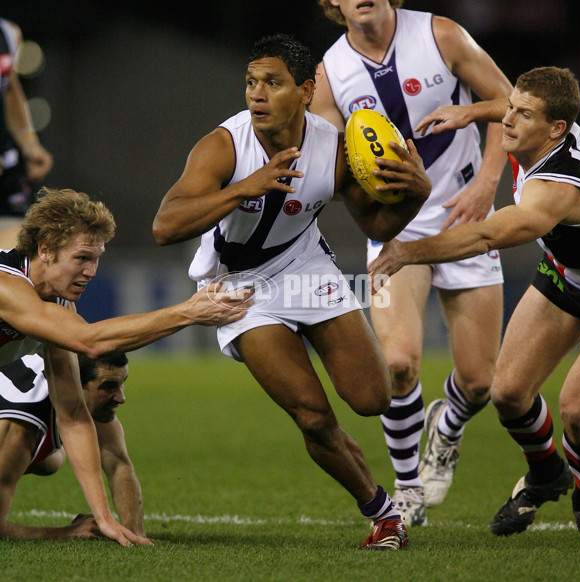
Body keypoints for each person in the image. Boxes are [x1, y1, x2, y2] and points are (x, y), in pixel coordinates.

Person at [153, 33, 432, 550]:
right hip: (238, 286)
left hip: (304, 267)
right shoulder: (223, 145)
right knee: (312, 414)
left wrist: (418, 195)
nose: (256, 94)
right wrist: (244, 186)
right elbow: (165, 226)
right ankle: (383, 513)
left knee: (373, 398)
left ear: (306, 91)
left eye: (273, 83)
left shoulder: (337, 146)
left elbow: (377, 224)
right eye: (251, 82)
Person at [369, 66, 580, 540]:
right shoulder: (546, 131)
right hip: (570, 273)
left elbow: (489, 233)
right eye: (510, 107)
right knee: (507, 393)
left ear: (555, 129)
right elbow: (509, 107)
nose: (508, 121)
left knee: (577, 409)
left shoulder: (557, 187)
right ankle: (543, 474)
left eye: (523, 114)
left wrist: (408, 252)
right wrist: (469, 111)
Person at [311, 0, 512, 526]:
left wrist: (489, 183)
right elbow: (328, 164)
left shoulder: (443, 34)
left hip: (466, 218)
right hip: (394, 234)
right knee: (397, 363)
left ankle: (445, 425)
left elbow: (510, 102)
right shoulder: (330, 73)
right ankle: (407, 488)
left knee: (478, 383)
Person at [0, 186, 252, 546]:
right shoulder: (6, 286)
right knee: (32, 439)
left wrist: (104, 518)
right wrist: (187, 312)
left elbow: (72, 413)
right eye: (82, 258)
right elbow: (92, 342)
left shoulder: (57, 305)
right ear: (45, 250)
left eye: (97, 258)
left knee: (50, 452)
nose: (90, 271)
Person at [0, 352, 145, 539]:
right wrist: (67, 532)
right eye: (109, 387)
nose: (121, 397)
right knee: (45, 457)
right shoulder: (20, 429)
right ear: (76, 385)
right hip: (9, 436)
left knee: (54, 459)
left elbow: (118, 465)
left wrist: (134, 533)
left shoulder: (70, 384)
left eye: (121, 383)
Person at [0, 18, 53, 249]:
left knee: (17, 251)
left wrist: (29, 142)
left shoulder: (8, 33)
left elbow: (10, 87)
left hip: (6, 161)